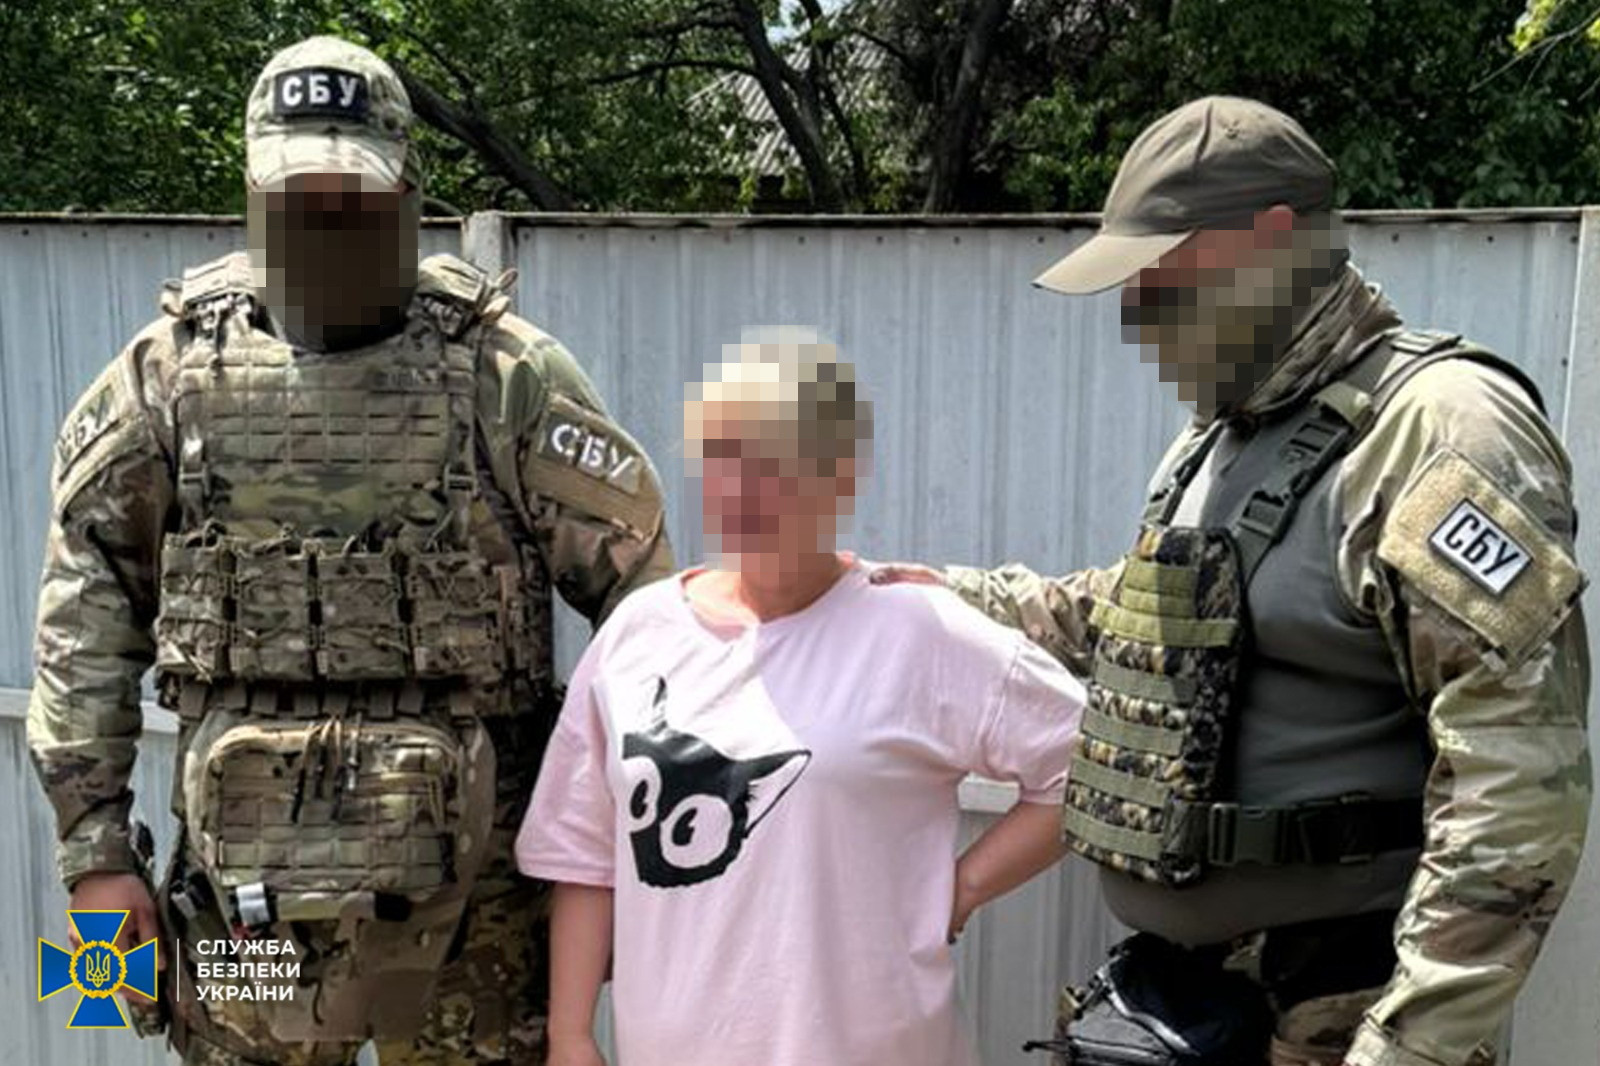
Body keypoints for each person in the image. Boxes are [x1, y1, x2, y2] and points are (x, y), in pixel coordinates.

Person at [872, 96, 1590, 1066]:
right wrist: (959, 596)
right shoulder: (1224, 437)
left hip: (1339, 1017)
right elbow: (1151, 613)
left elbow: (1518, 783)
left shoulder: (1435, 431)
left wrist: (1408, 1048)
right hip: (1193, 1008)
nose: (1135, 318)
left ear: (1271, 241)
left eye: (1160, 281)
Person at [26, 35, 671, 1066]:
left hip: (476, 919)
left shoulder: (504, 374)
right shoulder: (167, 377)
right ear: (250, 194)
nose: (324, 226)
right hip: (243, 913)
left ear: (407, 193)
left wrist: (623, 866)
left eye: (351, 199)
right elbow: (82, 621)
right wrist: (94, 858)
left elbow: (653, 619)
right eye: (297, 199)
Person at [516, 328, 1086, 1066]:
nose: (753, 492)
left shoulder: (918, 632)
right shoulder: (639, 634)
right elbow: (583, 851)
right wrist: (569, 1034)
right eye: (728, 460)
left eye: (785, 465)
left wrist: (963, 887)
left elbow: (1089, 767)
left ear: (843, 477)